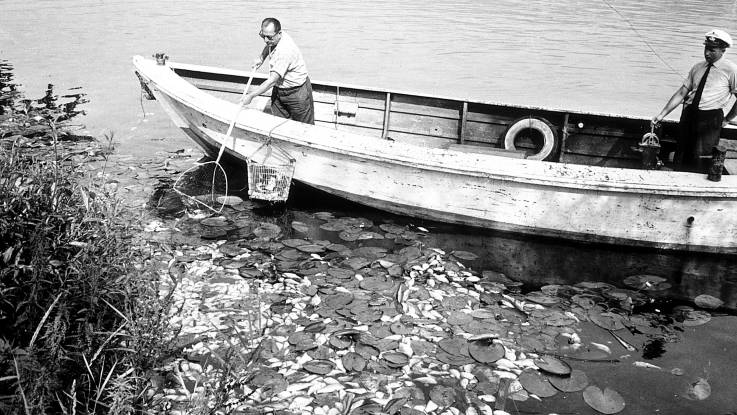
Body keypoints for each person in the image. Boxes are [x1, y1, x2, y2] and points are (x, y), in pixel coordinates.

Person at [652, 29, 737, 173]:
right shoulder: (697, 67)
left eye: (712, 50)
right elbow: (681, 93)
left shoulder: (731, 70)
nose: (707, 53)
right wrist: (661, 115)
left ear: (723, 50)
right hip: (689, 115)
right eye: (706, 48)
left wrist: (727, 119)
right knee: (682, 154)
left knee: (701, 158)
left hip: (710, 119)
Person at [240, 18, 315, 125]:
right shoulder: (274, 37)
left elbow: (272, 81)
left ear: (279, 33)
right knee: (278, 124)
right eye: (263, 36)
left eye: (269, 37)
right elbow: (269, 44)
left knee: (305, 127)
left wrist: (251, 96)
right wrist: (261, 58)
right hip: (279, 89)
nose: (266, 40)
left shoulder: (285, 51)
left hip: (296, 92)